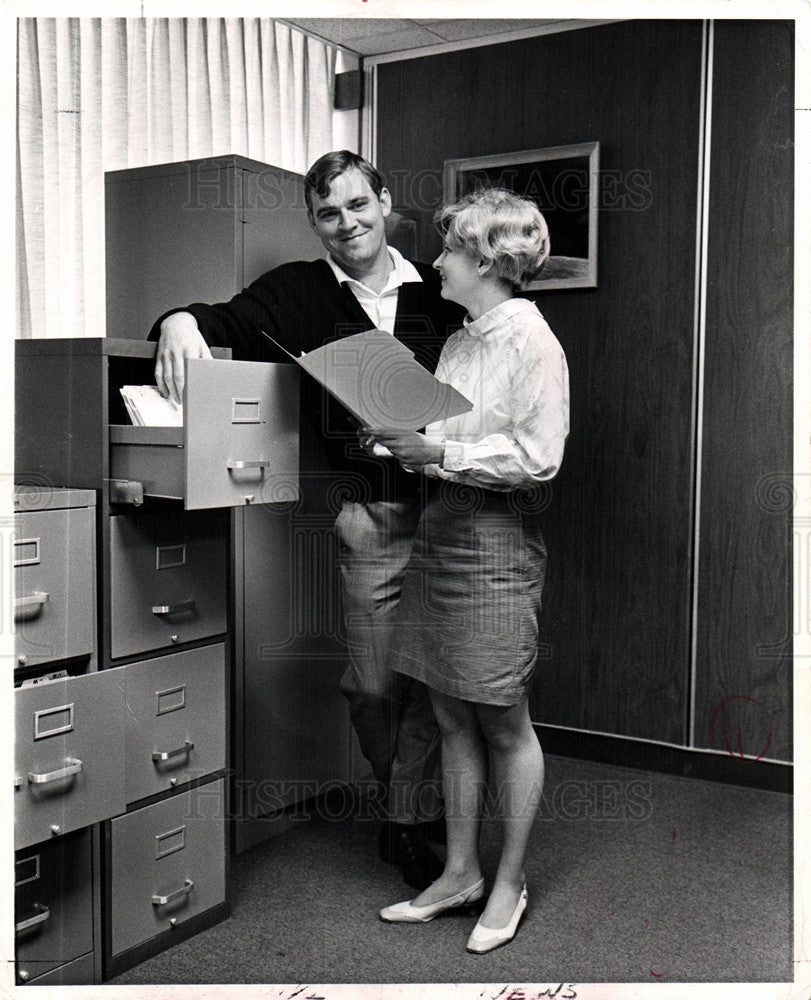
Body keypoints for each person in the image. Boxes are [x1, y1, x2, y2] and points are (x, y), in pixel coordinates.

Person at [150, 150, 465, 889]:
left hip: (456, 513)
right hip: (373, 516)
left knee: (441, 682)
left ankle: (414, 821)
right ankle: (409, 804)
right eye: (328, 213)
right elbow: (216, 318)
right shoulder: (296, 291)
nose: (346, 224)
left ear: (384, 201)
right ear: (314, 222)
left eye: (358, 205)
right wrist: (175, 321)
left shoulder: (443, 292)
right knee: (373, 686)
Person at [365, 188, 569, 952]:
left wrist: (439, 451)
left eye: (449, 250)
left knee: (501, 720)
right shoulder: (459, 341)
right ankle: (459, 873)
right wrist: (398, 441)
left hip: (494, 545)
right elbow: (444, 440)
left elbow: (537, 460)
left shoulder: (533, 343)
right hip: (443, 532)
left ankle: (508, 882)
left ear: (486, 260)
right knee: (448, 710)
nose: (437, 262)